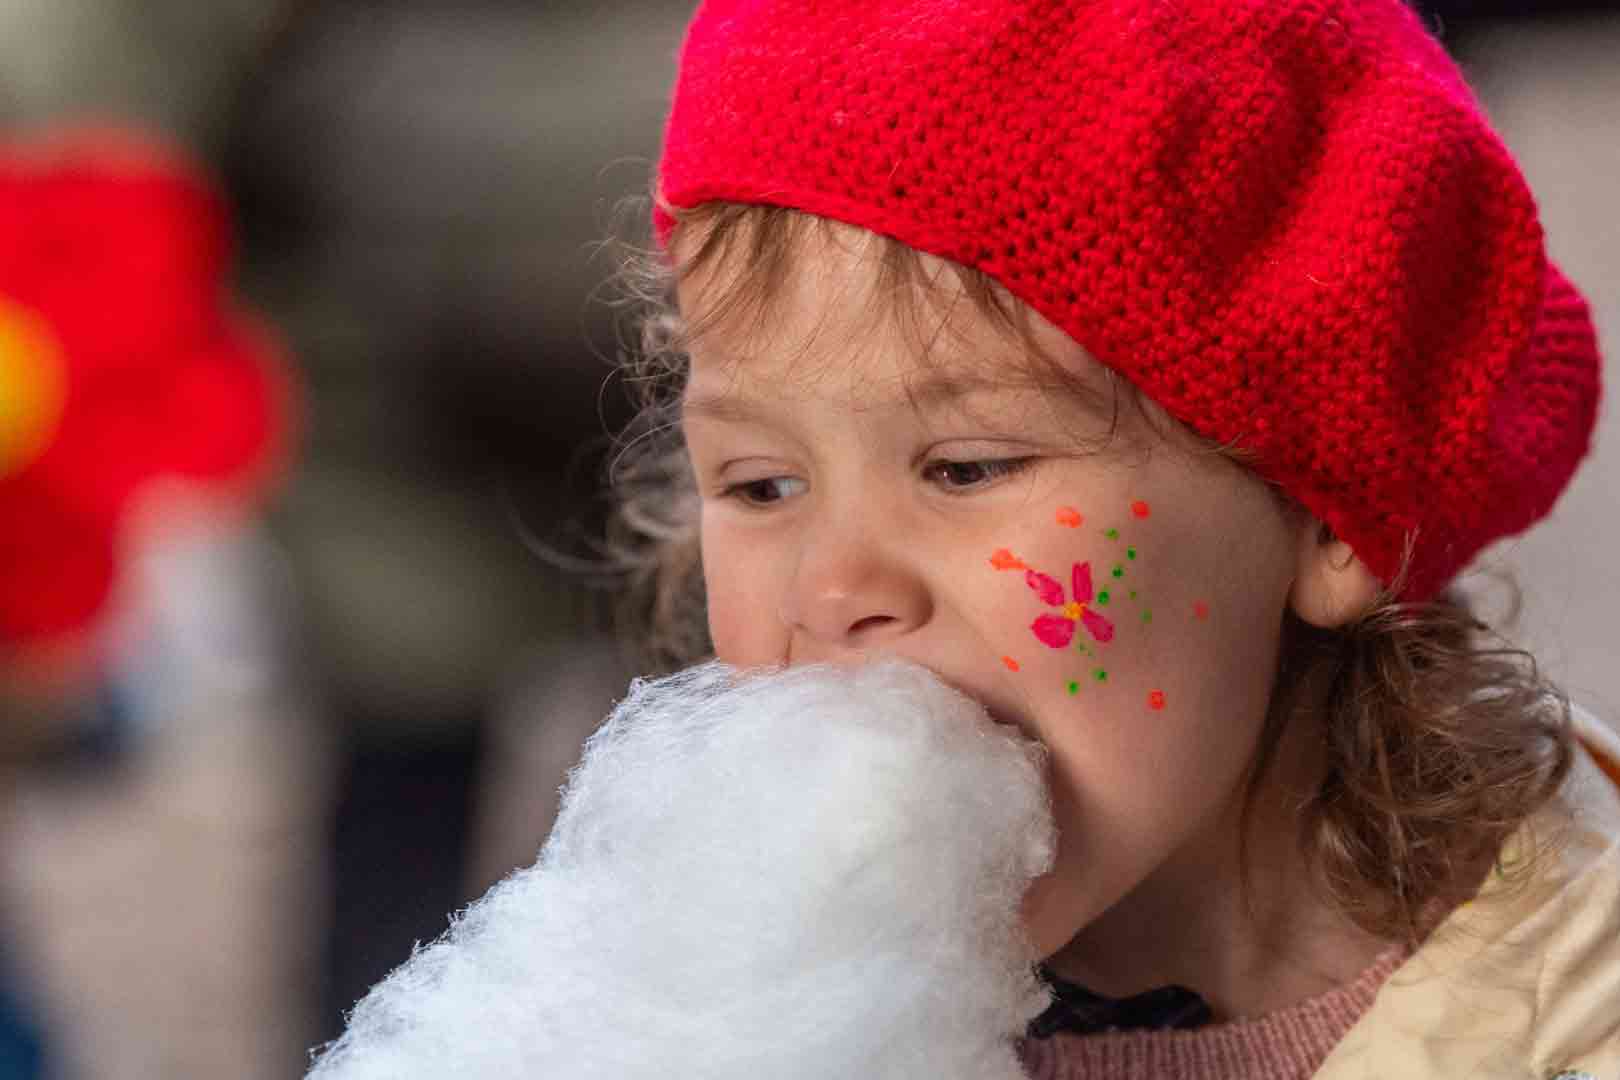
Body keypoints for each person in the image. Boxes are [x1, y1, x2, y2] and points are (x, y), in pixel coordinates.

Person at [606, 1, 1620, 1077]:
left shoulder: (1568, 1020)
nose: (834, 584)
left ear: (1324, 507)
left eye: (966, 469)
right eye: (763, 487)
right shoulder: (696, 994)